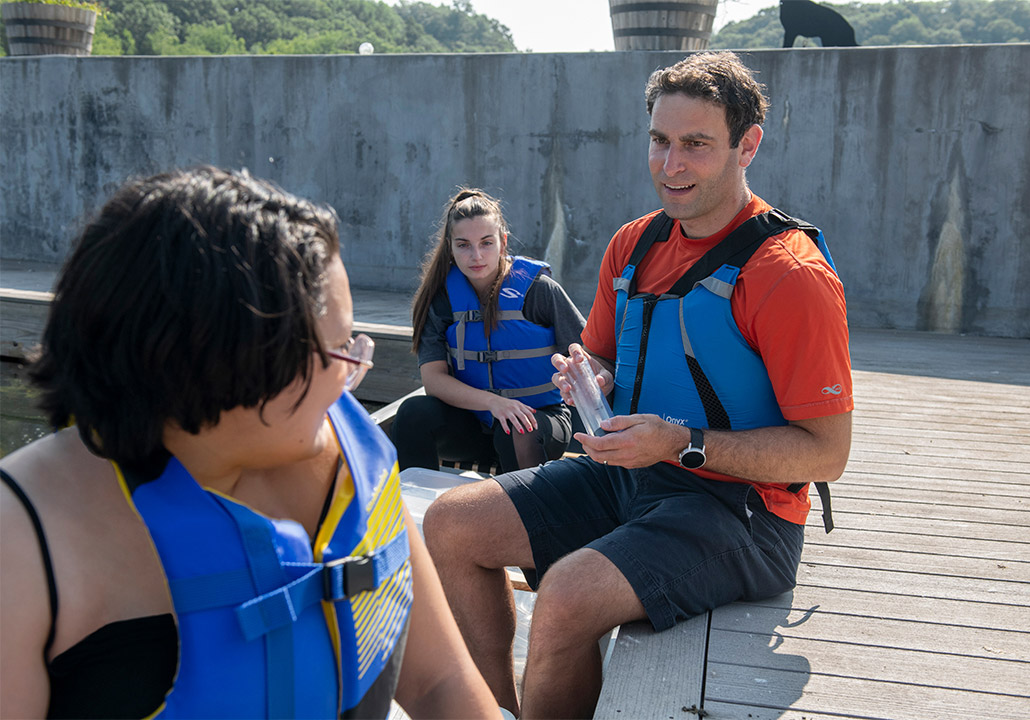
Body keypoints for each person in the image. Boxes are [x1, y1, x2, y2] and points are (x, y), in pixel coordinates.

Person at [423, 51, 854, 719]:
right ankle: (494, 711)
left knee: (566, 594)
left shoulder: (790, 275)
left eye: (695, 145)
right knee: (450, 524)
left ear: (748, 146)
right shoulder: (633, 245)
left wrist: (681, 443)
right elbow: (600, 358)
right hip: (631, 473)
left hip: (741, 515)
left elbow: (827, 453)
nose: (670, 164)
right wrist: (586, 380)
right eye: (659, 140)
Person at [0, 166, 501, 719]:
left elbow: (441, 682)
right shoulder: (22, 540)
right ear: (222, 360)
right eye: (338, 352)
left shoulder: (351, 464)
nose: (353, 374)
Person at [391, 189, 585, 473]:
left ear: (502, 242)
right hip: (472, 424)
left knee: (515, 428)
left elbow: (588, 356)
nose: (476, 255)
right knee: (412, 414)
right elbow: (433, 381)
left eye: (486, 243)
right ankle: (416, 509)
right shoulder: (441, 299)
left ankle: (520, 513)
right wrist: (494, 403)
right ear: (450, 247)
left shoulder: (539, 291)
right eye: (464, 245)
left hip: (538, 422)